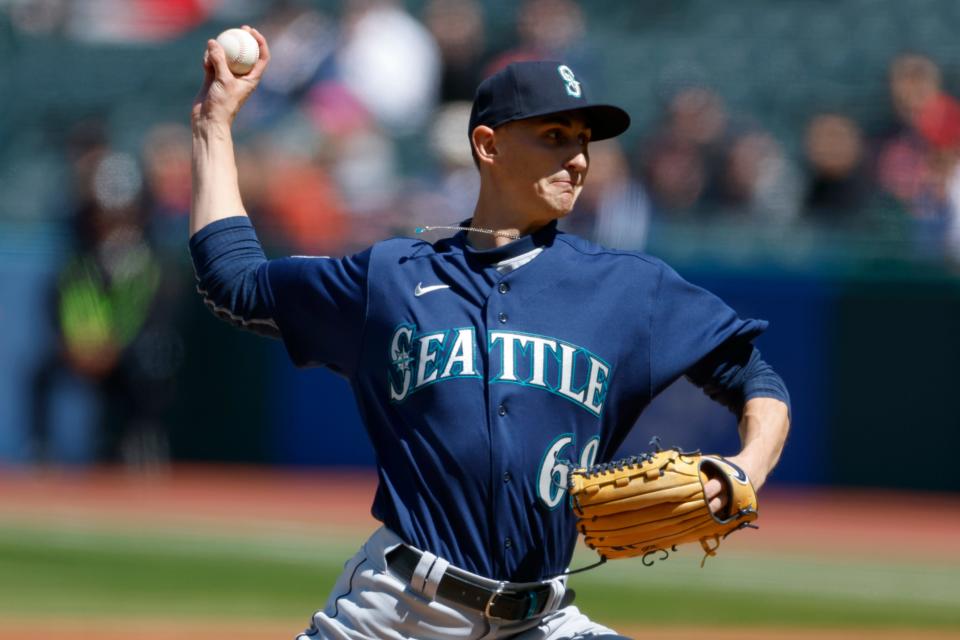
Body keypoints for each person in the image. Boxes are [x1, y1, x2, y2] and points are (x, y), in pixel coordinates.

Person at [190, 27, 791, 640]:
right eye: (555, 137)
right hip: (397, 613)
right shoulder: (390, 279)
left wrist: (748, 467)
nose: (579, 158)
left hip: (543, 617)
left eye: (584, 141)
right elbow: (233, 282)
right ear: (488, 145)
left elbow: (755, 377)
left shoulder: (629, 288)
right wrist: (215, 124)